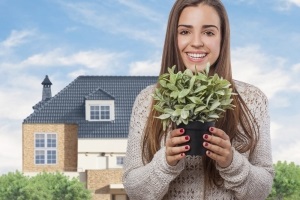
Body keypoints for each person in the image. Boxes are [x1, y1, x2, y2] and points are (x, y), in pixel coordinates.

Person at [123, 0, 274, 199]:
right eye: (185, 31)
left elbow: (262, 190)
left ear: (222, 38)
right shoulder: (148, 101)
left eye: (208, 32)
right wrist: (165, 163)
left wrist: (231, 162)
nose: (196, 42)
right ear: (173, 38)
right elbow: (134, 190)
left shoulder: (253, 100)